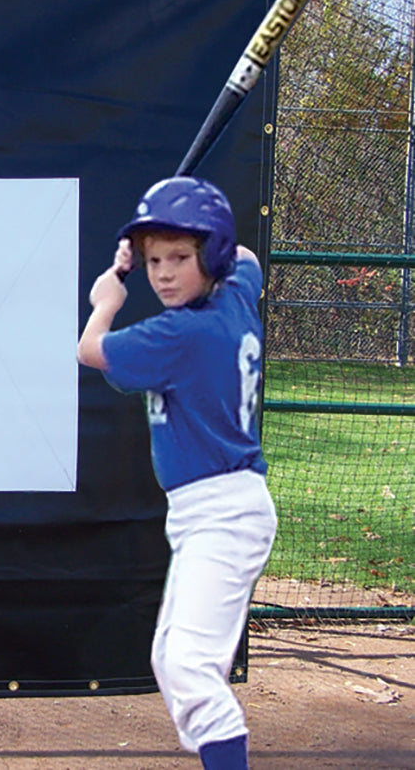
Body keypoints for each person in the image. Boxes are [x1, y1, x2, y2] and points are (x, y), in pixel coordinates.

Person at [77, 175, 277, 770]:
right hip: (211, 510)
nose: (163, 274)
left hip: (224, 512)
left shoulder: (182, 332)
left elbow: (92, 351)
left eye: (180, 259)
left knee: (189, 664)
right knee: (173, 658)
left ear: (208, 257)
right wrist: (185, 234)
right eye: (153, 259)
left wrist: (105, 301)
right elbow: (247, 258)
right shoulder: (235, 293)